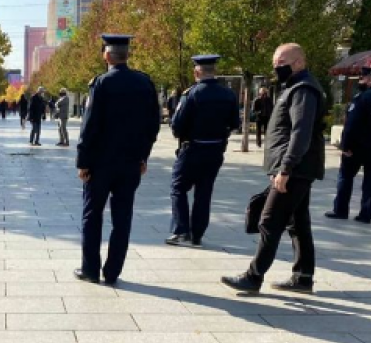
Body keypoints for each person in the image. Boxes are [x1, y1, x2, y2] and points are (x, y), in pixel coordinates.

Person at [222, 43, 326, 294]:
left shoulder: (303, 89)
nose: (277, 68)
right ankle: (303, 277)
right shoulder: (294, 87)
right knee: (298, 223)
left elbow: (300, 133)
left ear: (299, 62)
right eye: (275, 64)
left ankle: (253, 276)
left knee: (270, 220)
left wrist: (286, 168)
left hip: (294, 169)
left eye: (282, 63)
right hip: (297, 167)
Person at [75, 34, 162, 284]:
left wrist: (83, 161)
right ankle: (112, 271)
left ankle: (90, 270)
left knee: (92, 215)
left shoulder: (101, 83)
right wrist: (143, 156)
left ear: (106, 55)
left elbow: (89, 126)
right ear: (127, 55)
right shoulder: (144, 83)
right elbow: (152, 125)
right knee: (122, 218)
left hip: (100, 164)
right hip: (130, 163)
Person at [166, 55, 240, 247]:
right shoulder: (228, 94)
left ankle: (181, 231)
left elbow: (177, 125)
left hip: (192, 149)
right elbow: (234, 123)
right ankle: (197, 234)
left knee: (178, 187)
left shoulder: (192, 94)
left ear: (197, 72)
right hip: (215, 150)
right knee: (204, 192)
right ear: (214, 71)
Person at [325, 66, 371, 224]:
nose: (360, 81)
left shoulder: (362, 98)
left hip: (357, 147)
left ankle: (341, 210)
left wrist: (345, 146)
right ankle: (366, 214)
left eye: (362, 78)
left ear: (370, 79)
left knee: (345, 177)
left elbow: (352, 125)